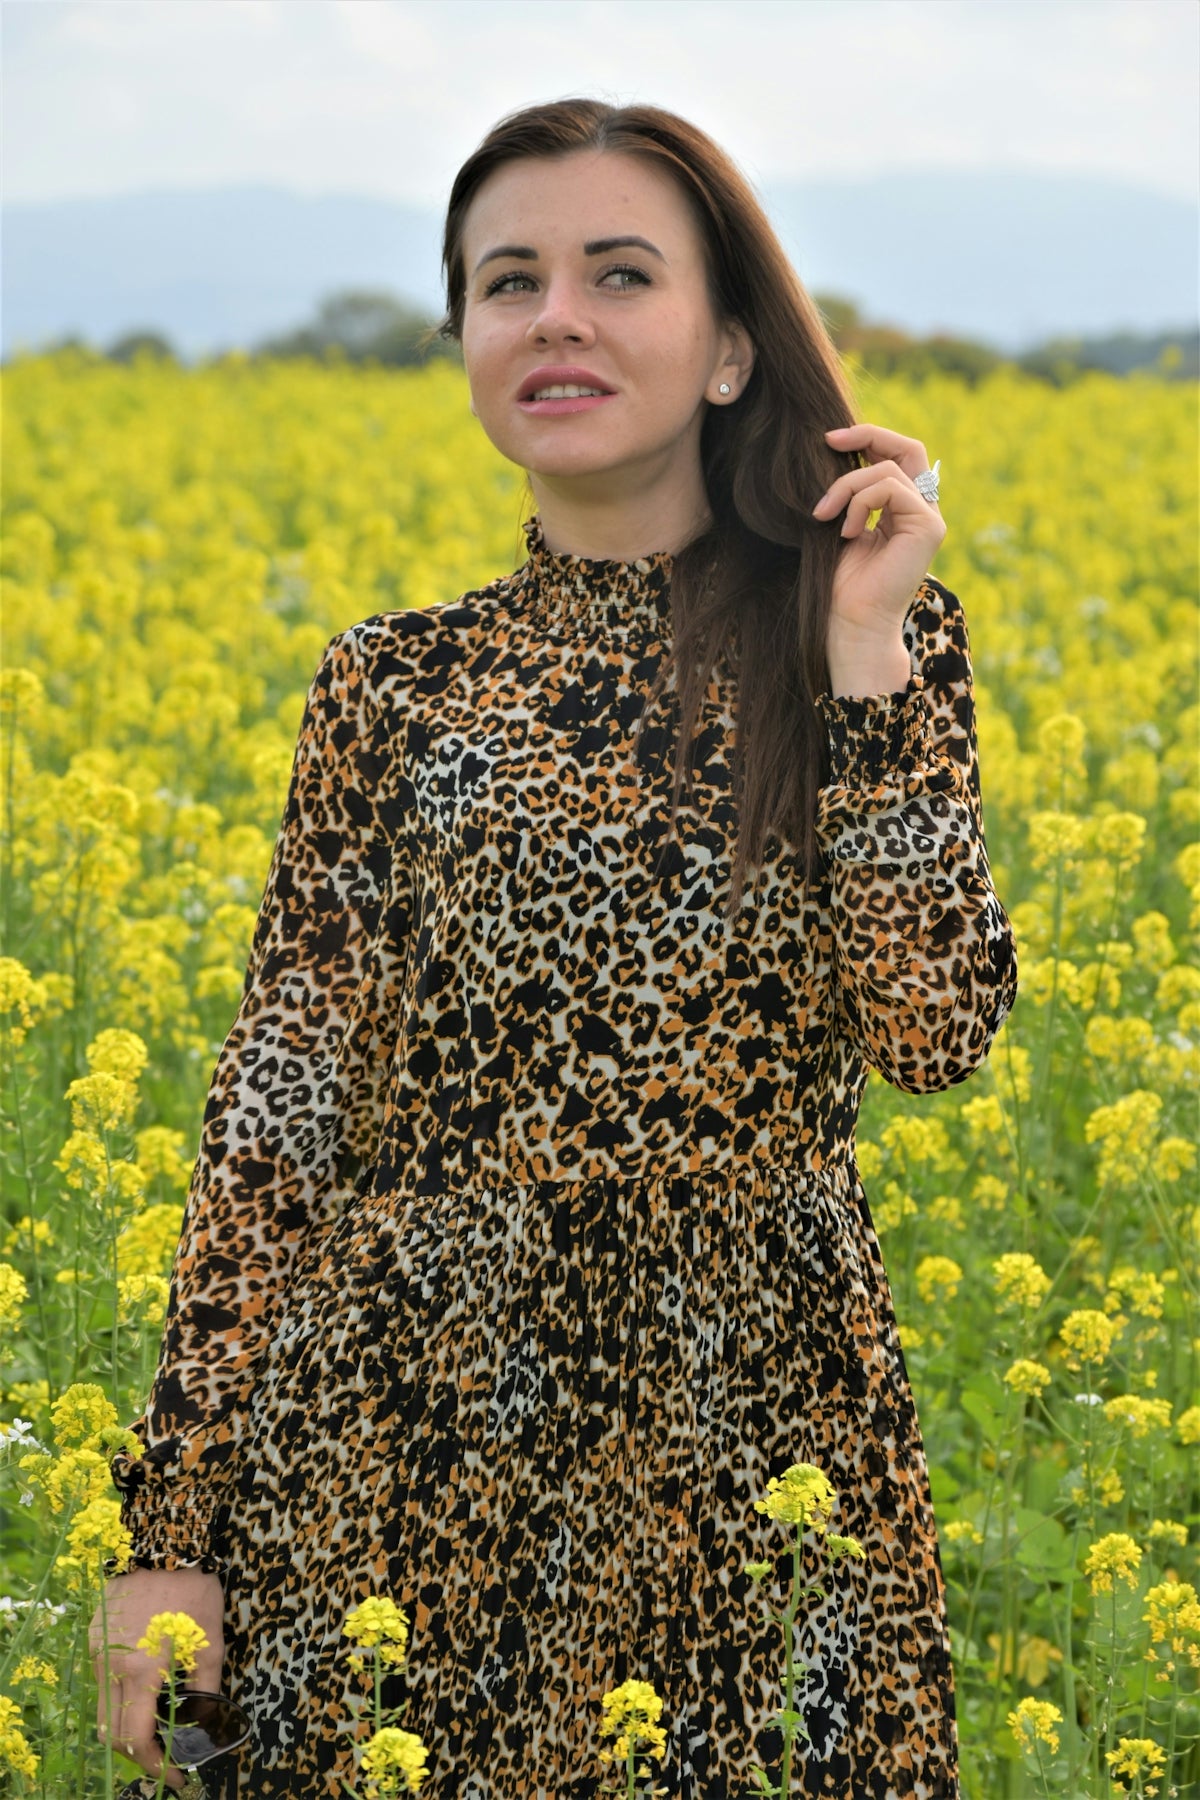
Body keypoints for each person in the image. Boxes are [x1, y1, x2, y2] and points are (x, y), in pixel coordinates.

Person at [91, 96, 1017, 1800]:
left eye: (617, 274)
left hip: (752, 1448)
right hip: (391, 1448)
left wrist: (873, 661)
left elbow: (939, 1027)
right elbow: (276, 1120)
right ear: (461, 336)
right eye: (507, 281)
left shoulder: (868, 638)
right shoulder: (391, 684)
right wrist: (174, 1533)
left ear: (732, 347)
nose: (556, 317)